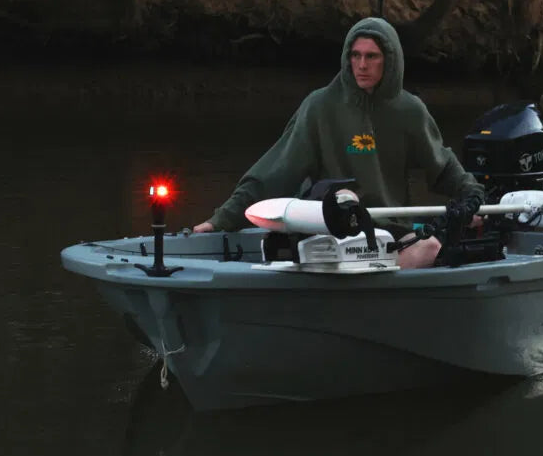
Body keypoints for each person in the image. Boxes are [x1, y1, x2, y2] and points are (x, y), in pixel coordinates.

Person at [193, 17, 484, 268]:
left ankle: (369, 292)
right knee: (347, 197)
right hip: (330, 228)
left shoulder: (410, 111)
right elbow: (274, 173)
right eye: (355, 55)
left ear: (390, 60)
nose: (361, 65)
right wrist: (221, 220)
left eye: (372, 57)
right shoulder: (319, 106)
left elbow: (443, 168)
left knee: (430, 246)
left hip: (389, 231)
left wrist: (472, 196)